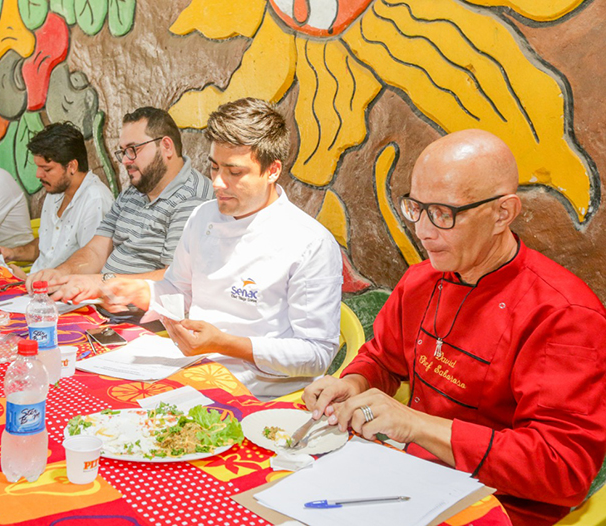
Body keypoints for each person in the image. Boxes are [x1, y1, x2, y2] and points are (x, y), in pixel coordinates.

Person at [302, 129, 606, 525]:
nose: (423, 230)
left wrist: (416, 425)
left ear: (503, 213)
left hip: (498, 505)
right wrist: (355, 383)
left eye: (443, 214)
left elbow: (561, 469)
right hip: (410, 476)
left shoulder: (563, 315)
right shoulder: (421, 280)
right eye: (415, 208)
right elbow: (383, 359)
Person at [103, 98, 342, 399]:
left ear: (272, 171)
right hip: (193, 372)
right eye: (214, 167)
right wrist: (136, 290)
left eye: (234, 172)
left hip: (261, 395)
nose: (217, 182)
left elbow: (316, 354)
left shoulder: (309, 242)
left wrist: (224, 343)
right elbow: (177, 288)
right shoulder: (202, 217)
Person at [26, 107, 214, 301]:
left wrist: (103, 283)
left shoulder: (192, 197)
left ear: (166, 146)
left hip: (142, 314)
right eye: (123, 152)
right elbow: (95, 251)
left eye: (133, 150)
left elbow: (175, 279)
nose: (125, 160)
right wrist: (61, 273)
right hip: (105, 303)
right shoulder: (133, 192)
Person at [0, 122, 114, 279]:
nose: (38, 174)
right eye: (38, 167)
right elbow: (47, 248)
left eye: (47, 169)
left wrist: (35, 281)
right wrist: (13, 253)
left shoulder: (95, 200)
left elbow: (92, 264)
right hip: (37, 282)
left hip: (62, 289)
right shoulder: (55, 192)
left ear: (72, 166)